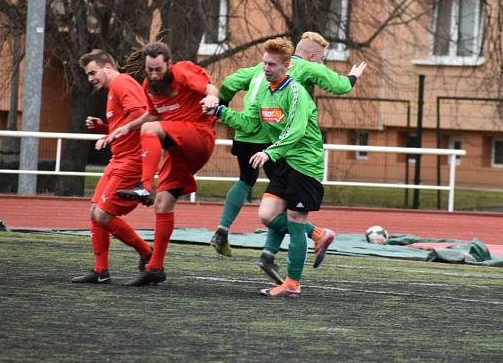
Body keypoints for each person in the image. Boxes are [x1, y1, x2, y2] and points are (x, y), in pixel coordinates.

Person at [210, 31, 367, 271]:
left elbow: (230, 83)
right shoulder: (302, 69)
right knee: (287, 208)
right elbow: (339, 86)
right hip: (278, 144)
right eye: (322, 58)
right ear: (314, 55)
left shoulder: (260, 70)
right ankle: (299, 243)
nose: (268, 67)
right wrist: (352, 78)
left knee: (248, 182)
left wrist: (219, 106)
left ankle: (226, 230)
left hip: (248, 133)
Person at [210, 37, 328, 298]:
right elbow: (250, 123)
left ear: (287, 65)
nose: (266, 68)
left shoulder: (296, 92)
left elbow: (295, 131)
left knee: (295, 222)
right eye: (264, 63)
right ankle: (319, 234)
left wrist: (269, 152)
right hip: (284, 161)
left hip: (305, 164)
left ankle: (292, 285)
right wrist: (219, 112)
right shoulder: (264, 90)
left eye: (272, 65)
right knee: (267, 215)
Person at [103, 42, 219, 286]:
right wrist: (126, 127)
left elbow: (210, 88)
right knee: (163, 203)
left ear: (168, 63)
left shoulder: (182, 71)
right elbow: (153, 115)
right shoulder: (149, 85)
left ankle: (144, 185)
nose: (154, 74)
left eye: (158, 69)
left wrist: (211, 99)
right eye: (150, 69)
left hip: (199, 136)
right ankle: (155, 268)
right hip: (178, 147)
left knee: (150, 130)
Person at [71, 49, 153, 284]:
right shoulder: (114, 89)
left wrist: (113, 132)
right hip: (119, 158)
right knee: (94, 211)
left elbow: (141, 115)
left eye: (92, 72)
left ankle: (147, 252)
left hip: (132, 160)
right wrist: (105, 128)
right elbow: (128, 122)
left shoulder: (122, 83)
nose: (90, 78)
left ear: (108, 67)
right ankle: (100, 271)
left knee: (103, 215)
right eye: (87, 74)